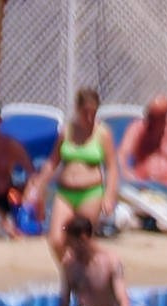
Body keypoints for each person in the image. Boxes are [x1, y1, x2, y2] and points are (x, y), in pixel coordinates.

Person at [31, 86, 114, 258]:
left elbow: (112, 168)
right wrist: (39, 186)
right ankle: (70, 275)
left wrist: (109, 195)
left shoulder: (102, 134)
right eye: (85, 112)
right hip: (65, 193)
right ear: (77, 109)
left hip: (91, 192)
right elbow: (53, 162)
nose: (89, 117)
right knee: (56, 240)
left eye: (93, 112)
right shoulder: (66, 132)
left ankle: (93, 274)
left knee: (82, 241)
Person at [50, 220, 129, 306]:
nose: (69, 249)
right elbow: (63, 305)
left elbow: (123, 303)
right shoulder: (69, 265)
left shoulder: (111, 262)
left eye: (71, 244)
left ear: (83, 238)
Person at [120, 93, 167, 188]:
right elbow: (121, 156)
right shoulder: (137, 129)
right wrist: (128, 176)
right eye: (152, 116)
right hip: (145, 186)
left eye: (160, 116)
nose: (153, 120)